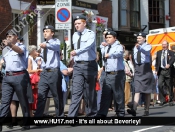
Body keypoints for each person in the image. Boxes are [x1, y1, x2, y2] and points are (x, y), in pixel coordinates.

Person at [68, 15, 97, 117]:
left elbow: (88, 46)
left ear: (84, 23)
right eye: (75, 24)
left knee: (89, 92)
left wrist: (76, 52)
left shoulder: (91, 34)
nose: (76, 25)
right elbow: (74, 51)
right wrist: (71, 62)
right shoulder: (75, 35)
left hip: (90, 65)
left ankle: (91, 114)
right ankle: (72, 116)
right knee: (76, 91)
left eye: (79, 23)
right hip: (78, 66)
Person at [0, 30, 30, 131]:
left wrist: (10, 45)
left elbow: (19, 51)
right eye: (7, 36)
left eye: (10, 36)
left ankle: (26, 122)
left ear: (16, 37)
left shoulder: (21, 46)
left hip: (19, 76)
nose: (8, 38)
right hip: (7, 77)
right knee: (4, 101)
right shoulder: (5, 50)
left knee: (22, 100)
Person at [34, 25, 64, 117]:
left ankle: (60, 116)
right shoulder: (43, 44)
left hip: (54, 72)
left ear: (52, 33)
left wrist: (46, 45)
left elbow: (55, 47)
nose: (45, 33)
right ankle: (38, 117)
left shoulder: (56, 41)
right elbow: (45, 57)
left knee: (56, 95)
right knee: (41, 95)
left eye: (47, 31)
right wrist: (39, 56)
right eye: (44, 31)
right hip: (44, 72)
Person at [97, 30, 125, 117]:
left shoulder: (118, 46)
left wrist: (110, 55)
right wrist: (102, 45)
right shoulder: (106, 47)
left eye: (110, 37)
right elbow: (102, 52)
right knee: (105, 94)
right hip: (107, 73)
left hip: (117, 74)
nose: (107, 39)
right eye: (106, 37)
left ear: (115, 38)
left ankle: (120, 112)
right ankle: (102, 113)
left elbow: (119, 53)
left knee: (118, 94)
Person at [127, 32, 155, 117]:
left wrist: (140, 48)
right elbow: (134, 58)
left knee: (147, 91)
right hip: (138, 69)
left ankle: (146, 109)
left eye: (139, 38)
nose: (138, 40)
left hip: (146, 69)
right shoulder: (135, 47)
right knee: (137, 90)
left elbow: (146, 52)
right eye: (137, 38)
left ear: (144, 38)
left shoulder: (148, 46)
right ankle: (134, 109)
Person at [155, 40, 175, 106]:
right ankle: (162, 100)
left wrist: (169, 64)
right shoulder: (159, 52)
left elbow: (173, 58)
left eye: (165, 44)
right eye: (163, 44)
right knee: (159, 85)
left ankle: (171, 100)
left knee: (169, 85)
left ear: (167, 45)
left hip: (168, 71)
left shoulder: (171, 52)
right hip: (161, 71)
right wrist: (156, 69)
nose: (163, 46)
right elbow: (157, 62)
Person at [27, 45, 43, 116]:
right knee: (32, 96)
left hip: (33, 79)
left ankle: (31, 113)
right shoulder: (29, 58)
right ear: (32, 51)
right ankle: (30, 114)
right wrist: (39, 70)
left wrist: (38, 66)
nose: (36, 52)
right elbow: (29, 70)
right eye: (35, 50)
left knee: (34, 96)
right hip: (31, 79)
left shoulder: (32, 59)